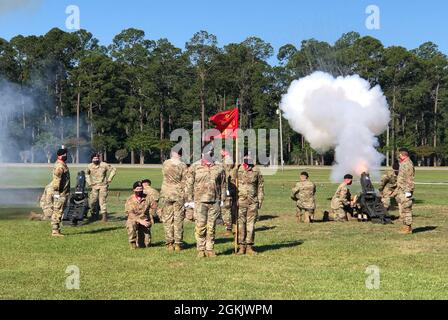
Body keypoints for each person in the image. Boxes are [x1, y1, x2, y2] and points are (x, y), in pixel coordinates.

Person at [186, 149, 226, 258]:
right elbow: (189, 183)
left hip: (215, 200)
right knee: (200, 226)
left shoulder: (219, 167)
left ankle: (210, 249)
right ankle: (200, 249)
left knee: (211, 226)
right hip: (199, 201)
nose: (209, 154)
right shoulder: (195, 166)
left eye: (211, 152)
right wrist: (189, 200)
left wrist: (223, 199)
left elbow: (223, 184)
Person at [235, 155, 264, 255]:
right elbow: (231, 181)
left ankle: (249, 246)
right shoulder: (238, 169)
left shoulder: (256, 170)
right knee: (240, 224)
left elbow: (260, 186)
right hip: (240, 201)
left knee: (250, 225)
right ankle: (241, 246)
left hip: (252, 201)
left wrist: (260, 200)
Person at [160, 149, 187, 252]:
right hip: (178, 193)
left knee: (167, 219)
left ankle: (169, 243)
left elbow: (164, 175)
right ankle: (178, 243)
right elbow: (185, 180)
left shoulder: (166, 163)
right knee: (178, 219)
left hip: (166, 193)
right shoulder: (182, 165)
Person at [85, 153, 117, 222]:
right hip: (94, 186)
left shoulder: (104, 165)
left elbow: (113, 169)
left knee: (102, 201)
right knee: (93, 201)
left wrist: (110, 178)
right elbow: (86, 174)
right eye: (94, 158)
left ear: (99, 158)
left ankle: (104, 217)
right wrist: (89, 183)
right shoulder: (89, 166)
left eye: (97, 158)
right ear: (92, 159)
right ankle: (94, 215)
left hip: (103, 185)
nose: (96, 159)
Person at [391, 148, 415, 234]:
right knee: (404, 209)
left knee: (407, 208)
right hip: (402, 190)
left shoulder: (408, 164)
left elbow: (410, 179)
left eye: (399, 154)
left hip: (406, 190)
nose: (398, 156)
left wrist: (408, 192)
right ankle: (405, 226)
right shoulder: (403, 163)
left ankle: (408, 228)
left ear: (402, 155)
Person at [125, 181, 153, 249]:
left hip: (144, 219)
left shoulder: (148, 198)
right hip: (134, 219)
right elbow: (130, 213)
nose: (139, 191)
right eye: (137, 189)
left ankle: (141, 241)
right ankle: (133, 243)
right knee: (131, 224)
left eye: (141, 189)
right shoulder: (130, 199)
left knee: (145, 245)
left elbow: (154, 207)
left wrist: (151, 219)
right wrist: (140, 221)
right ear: (134, 190)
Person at [50, 148, 70, 237]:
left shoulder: (62, 164)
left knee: (59, 210)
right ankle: (55, 231)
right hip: (60, 193)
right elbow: (56, 180)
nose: (67, 156)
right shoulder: (60, 166)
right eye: (65, 154)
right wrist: (57, 192)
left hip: (63, 192)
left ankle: (56, 229)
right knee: (58, 210)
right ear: (62, 155)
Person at [219, 149, 237, 235]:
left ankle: (229, 228)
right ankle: (230, 225)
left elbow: (226, 173)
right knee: (229, 207)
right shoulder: (226, 159)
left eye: (221, 151)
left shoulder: (228, 160)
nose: (219, 153)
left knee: (226, 207)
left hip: (228, 186)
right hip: (228, 186)